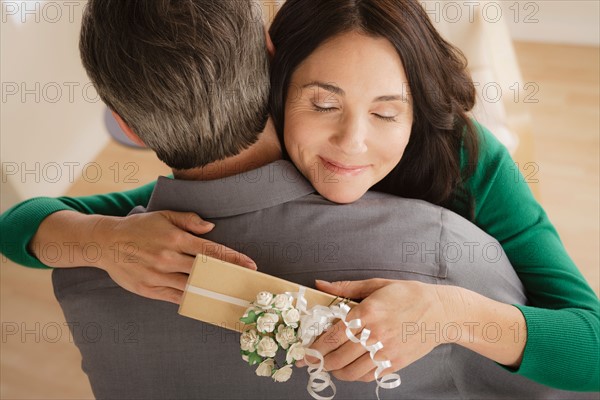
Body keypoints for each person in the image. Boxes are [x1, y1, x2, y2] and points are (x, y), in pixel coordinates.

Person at [0, 0, 597, 395]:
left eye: (387, 111)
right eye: (322, 103)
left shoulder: (466, 163)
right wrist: (101, 240)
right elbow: (19, 225)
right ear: (272, 78)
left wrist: (450, 314)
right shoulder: (197, 199)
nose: (351, 143)